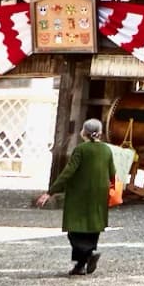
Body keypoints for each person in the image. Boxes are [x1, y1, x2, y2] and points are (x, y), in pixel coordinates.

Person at [35, 118, 114, 275]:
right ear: (100, 133)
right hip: (99, 195)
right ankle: (81, 265)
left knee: (74, 229)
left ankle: (88, 256)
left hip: (80, 195)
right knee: (92, 228)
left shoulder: (81, 150)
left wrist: (50, 192)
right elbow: (112, 173)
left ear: (83, 132)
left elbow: (68, 172)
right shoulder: (107, 150)